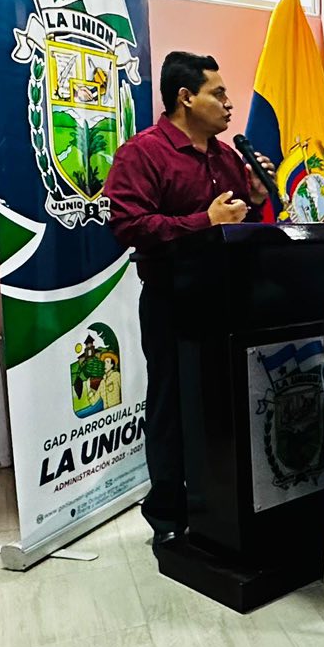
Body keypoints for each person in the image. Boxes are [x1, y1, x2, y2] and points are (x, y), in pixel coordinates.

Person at [103, 51, 269, 545]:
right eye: (218, 93)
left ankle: (221, 506)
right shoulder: (142, 153)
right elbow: (129, 226)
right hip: (172, 301)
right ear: (185, 97)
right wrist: (204, 222)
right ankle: (169, 519)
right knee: (171, 409)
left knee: (225, 406)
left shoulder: (227, 156)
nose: (229, 103)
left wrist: (256, 197)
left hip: (231, 300)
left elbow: (238, 224)